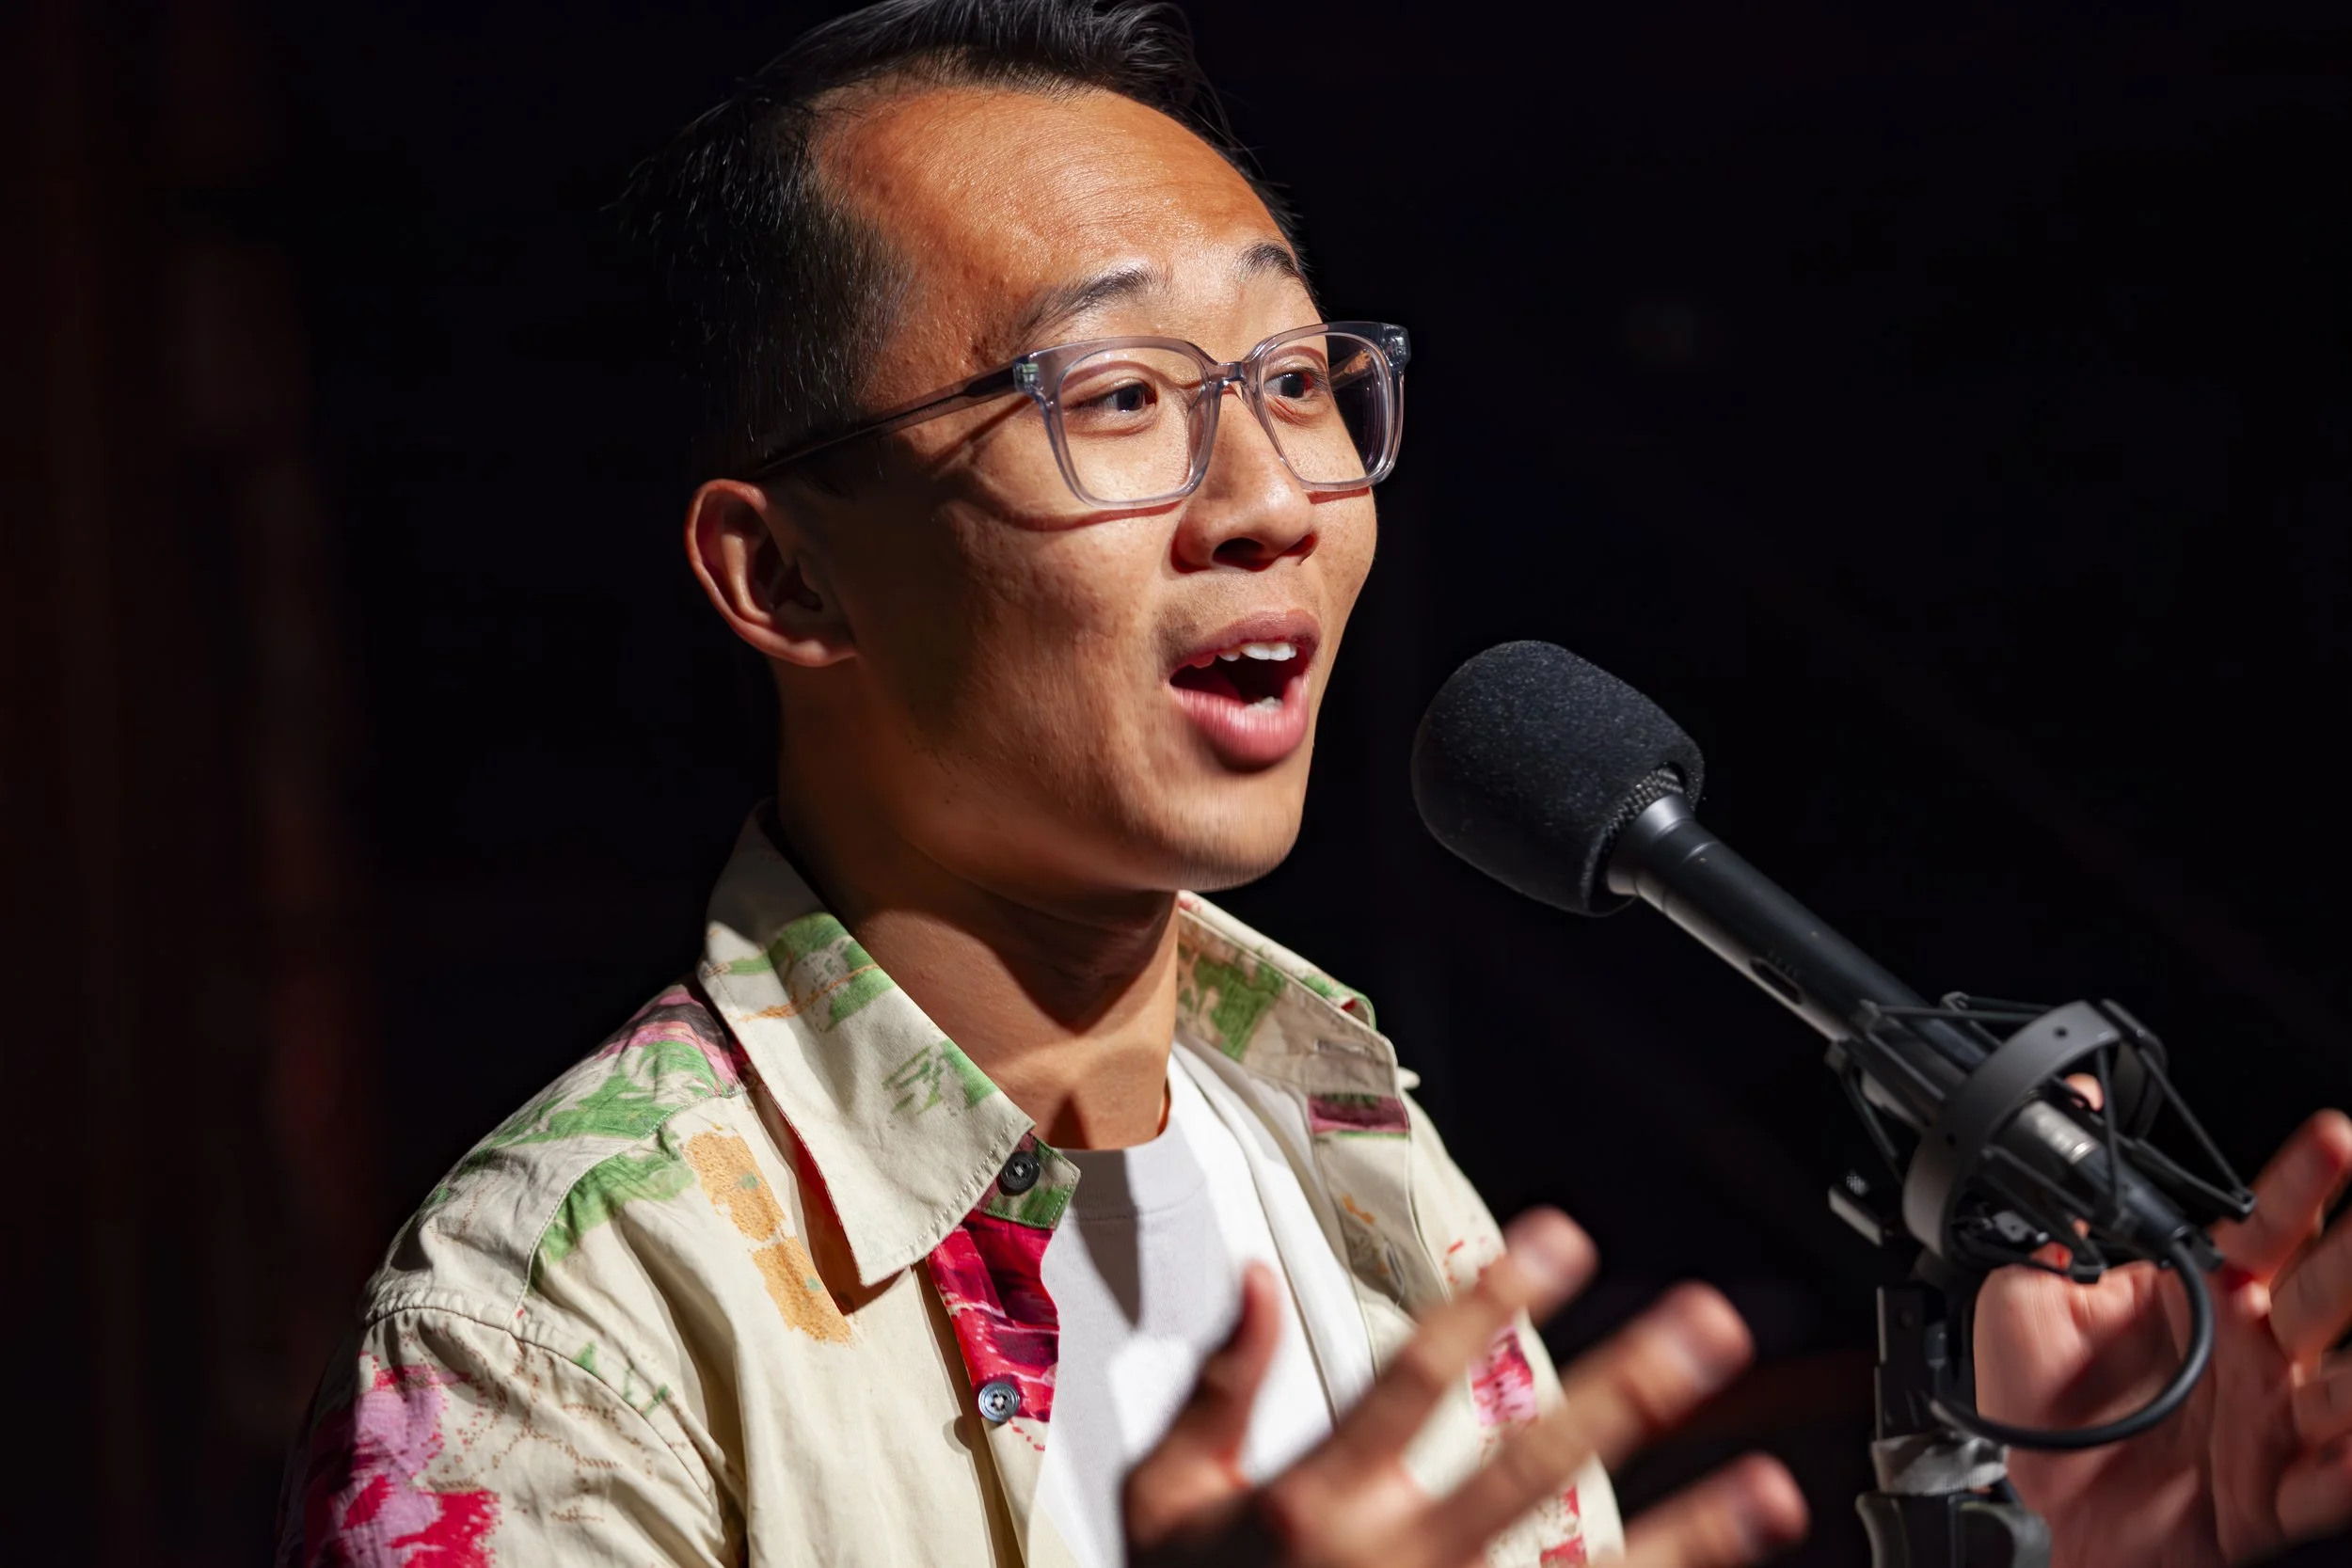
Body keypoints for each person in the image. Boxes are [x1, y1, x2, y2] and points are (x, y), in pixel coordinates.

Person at [276, 4, 2352, 1565]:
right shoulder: (555, 1319)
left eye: (1290, 382)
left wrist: (2073, 1539)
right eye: (1111, 400)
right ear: (782, 572)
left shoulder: (1333, 1125)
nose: (1271, 495)